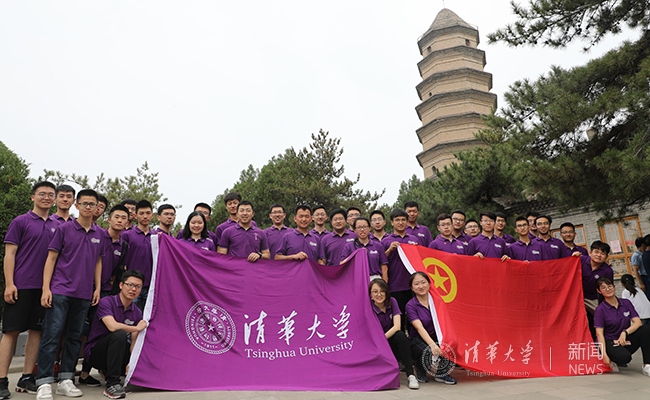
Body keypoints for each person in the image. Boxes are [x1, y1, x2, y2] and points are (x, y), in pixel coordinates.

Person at [36, 189, 104, 400]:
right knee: (52, 336)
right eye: (84, 203)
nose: (88, 207)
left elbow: (98, 261)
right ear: (77, 205)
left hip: (84, 293)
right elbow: (51, 259)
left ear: (97, 207)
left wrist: (97, 288)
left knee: (74, 337)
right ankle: (44, 382)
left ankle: (66, 380)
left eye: (92, 204)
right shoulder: (64, 229)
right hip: (60, 291)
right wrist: (46, 288)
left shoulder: (100, 233)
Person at [0, 181, 57, 397]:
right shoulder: (20, 221)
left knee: (36, 332)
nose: (46, 197)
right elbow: (9, 254)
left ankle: (26, 378)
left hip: (44, 289)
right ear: (32, 197)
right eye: (42, 194)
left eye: (50, 194)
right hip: (20, 286)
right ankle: (1, 380)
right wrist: (9, 283)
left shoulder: (57, 225)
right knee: (11, 332)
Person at [78, 205, 131, 386]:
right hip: (84, 289)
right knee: (76, 331)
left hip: (105, 293)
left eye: (123, 218)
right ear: (109, 219)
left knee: (98, 332)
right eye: (116, 217)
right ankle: (65, 374)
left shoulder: (124, 245)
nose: (119, 220)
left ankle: (85, 374)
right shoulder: (97, 235)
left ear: (127, 222)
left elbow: (119, 272)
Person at [85, 270, 147, 399]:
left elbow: (134, 341)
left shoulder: (137, 312)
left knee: (135, 345)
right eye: (130, 285)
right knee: (119, 334)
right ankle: (112, 384)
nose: (133, 289)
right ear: (121, 285)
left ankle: (110, 371)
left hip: (117, 353)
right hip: (96, 353)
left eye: (138, 286)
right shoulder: (106, 302)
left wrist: (131, 363)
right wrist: (136, 327)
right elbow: (112, 326)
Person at [406, 272, 457, 385]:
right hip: (417, 339)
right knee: (428, 351)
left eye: (423, 282)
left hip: (436, 336)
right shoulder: (411, 305)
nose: (421, 286)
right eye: (416, 284)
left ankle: (442, 374)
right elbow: (419, 328)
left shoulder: (438, 301)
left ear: (429, 284)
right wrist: (432, 345)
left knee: (451, 342)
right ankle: (420, 369)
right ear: (412, 288)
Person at [594, 276, 650, 376]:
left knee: (645, 329)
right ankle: (611, 359)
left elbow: (638, 322)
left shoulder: (626, 303)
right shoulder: (600, 309)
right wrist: (604, 355)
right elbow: (599, 334)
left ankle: (647, 365)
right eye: (604, 288)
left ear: (614, 287)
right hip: (610, 342)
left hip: (624, 340)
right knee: (624, 358)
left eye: (609, 286)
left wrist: (625, 332)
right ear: (599, 291)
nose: (608, 289)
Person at [369, 279, 418, 390]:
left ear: (387, 292)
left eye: (382, 291)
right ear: (370, 294)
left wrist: (383, 339)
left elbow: (397, 326)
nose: (379, 295)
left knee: (400, 335)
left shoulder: (392, 301)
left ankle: (410, 375)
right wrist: (380, 341)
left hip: (388, 341)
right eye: (375, 292)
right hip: (375, 345)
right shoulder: (369, 307)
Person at [383, 209, 419, 330]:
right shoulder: (386, 241)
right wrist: (389, 250)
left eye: (403, 220)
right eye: (397, 220)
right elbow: (380, 261)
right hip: (395, 285)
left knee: (414, 315)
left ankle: (414, 338)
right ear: (392, 222)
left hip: (413, 284)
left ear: (407, 221)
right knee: (399, 316)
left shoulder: (414, 239)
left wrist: (416, 250)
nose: (400, 222)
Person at [122, 200, 155, 310]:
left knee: (148, 316)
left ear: (152, 215)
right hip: (132, 285)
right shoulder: (127, 235)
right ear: (135, 216)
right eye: (141, 213)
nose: (145, 216)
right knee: (130, 314)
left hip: (151, 286)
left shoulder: (157, 236)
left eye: (148, 213)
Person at [581, 241, 614, 340]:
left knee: (604, 320)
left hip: (593, 298)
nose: (599, 255)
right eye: (596, 252)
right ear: (590, 252)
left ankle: (607, 341)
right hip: (577, 297)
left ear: (607, 256)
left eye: (602, 253)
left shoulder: (607, 271)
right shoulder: (580, 260)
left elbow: (607, 290)